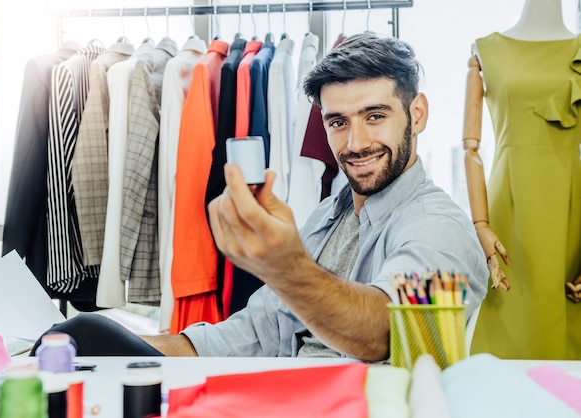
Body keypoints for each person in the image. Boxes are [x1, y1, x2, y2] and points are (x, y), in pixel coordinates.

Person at [32, 33, 488, 361]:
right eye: (338, 122)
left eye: (374, 116)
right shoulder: (330, 214)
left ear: (418, 113)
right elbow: (261, 327)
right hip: (284, 392)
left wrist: (286, 266)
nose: (354, 143)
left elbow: (385, 333)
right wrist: (132, 346)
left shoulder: (437, 228)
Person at [464, 0, 581, 359]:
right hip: (509, 206)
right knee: (509, 334)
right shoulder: (486, 50)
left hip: (571, 205)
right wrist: (481, 224)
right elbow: (471, 147)